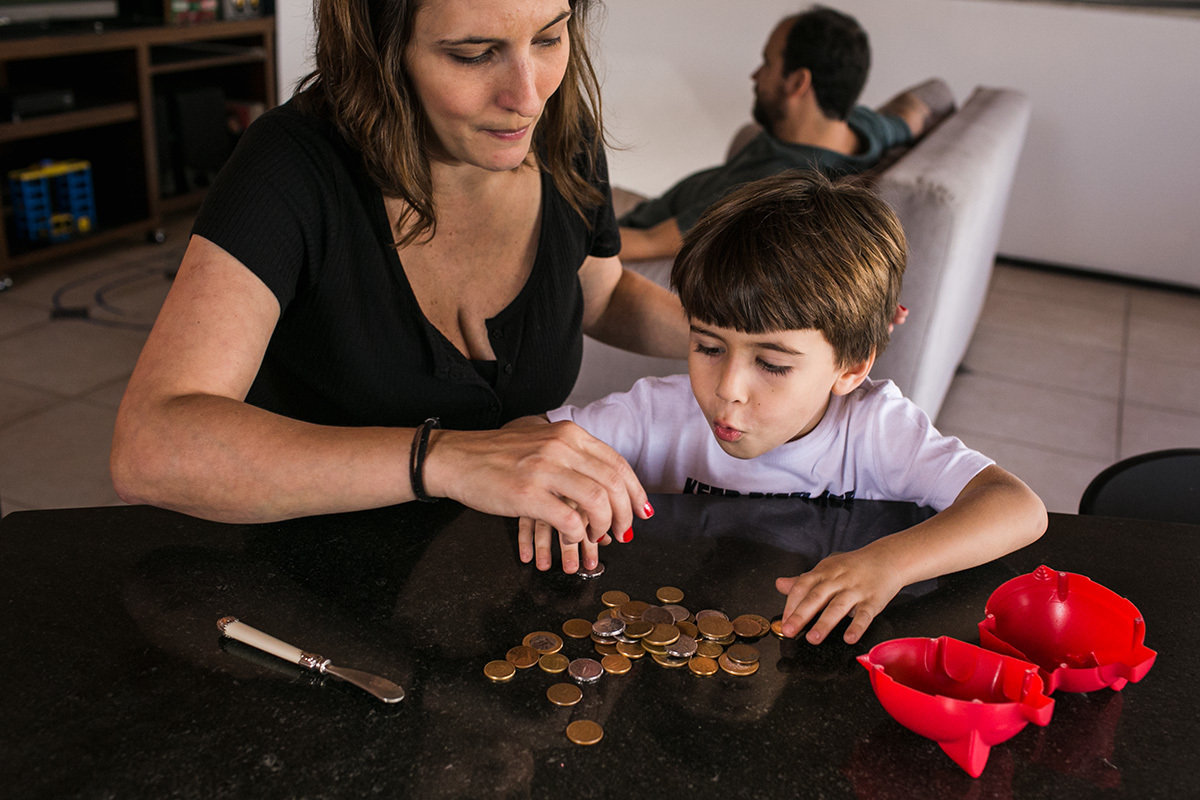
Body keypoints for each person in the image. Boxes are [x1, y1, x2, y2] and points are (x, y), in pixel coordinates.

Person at [110, 0, 689, 553]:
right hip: (297, 581)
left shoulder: (564, 134)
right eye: (472, 54)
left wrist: (751, 347)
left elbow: (603, 294)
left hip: (482, 581)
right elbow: (151, 448)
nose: (529, 94)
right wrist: (441, 459)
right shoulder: (291, 167)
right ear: (380, 52)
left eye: (548, 38)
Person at [510, 171, 1047, 644]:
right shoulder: (655, 413)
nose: (728, 390)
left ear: (851, 368)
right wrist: (544, 487)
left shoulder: (875, 428)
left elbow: (1016, 507)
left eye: (772, 364)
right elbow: (522, 437)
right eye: (708, 347)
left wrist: (888, 563)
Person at [617, 5, 932, 263]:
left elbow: (647, 243)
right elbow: (917, 110)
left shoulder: (771, 186)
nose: (755, 75)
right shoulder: (863, 128)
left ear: (797, 83)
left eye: (767, 62)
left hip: (631, 233)